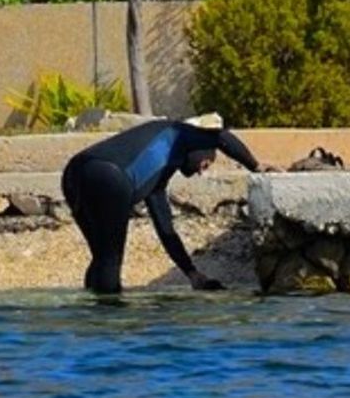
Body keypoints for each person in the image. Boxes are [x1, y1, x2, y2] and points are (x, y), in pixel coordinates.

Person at [60, 112, 264, 296]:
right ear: (201, 149)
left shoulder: (156, 180)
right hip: (108, 175)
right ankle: (112, 321)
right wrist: (256, 167)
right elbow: (221, 136)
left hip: (74, 174)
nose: (202, 172)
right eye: (206, 164)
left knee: (102, 257)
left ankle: (91, 315)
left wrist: (192, 274)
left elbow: (166, 231)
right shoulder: (179, 133)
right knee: (110, 259)